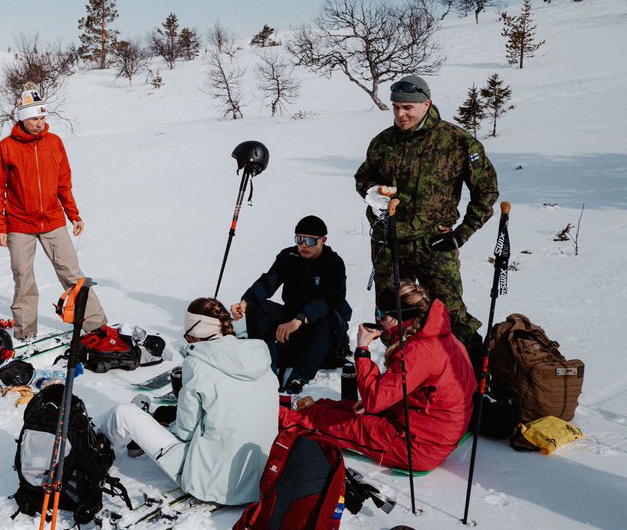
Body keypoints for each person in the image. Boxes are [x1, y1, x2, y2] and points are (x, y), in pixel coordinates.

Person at [355, 74, 499, 369]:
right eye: (395, 107)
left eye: (407, 107)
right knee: (393, 317)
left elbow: (486, 191)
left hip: (434, 243)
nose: (400, 114)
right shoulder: (383, 143)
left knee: (449, 314)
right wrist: (374, 193)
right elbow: (363, 178)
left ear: (426, 104)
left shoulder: (456, 142)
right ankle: (400, 380)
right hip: (389, 241)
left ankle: (467, 383)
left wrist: (461, 234)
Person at [94, 298, 278, 506]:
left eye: (187, 336)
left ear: (195, 334)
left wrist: (165, 428)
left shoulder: (197, 364)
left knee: (123, 414)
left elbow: (185, 432)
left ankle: (90, 439)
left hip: (213, 482)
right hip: (261, 478)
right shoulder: (259, 357)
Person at [279, 281, 476, 472]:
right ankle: (289, 405)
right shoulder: (438, 335)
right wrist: (384, 402)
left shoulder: (419, 351)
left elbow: (373, 399)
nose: (378, 319)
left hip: (420, 445)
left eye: (382, 314)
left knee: (324, 422)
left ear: (400, 317)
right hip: (428, 424)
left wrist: (363, 350)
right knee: (332, 408)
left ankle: (277, 416)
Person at [0, 87, 113, 341]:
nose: (39, 123)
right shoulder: (6, 147)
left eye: (42, 118)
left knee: (72, 274)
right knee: (23, 279)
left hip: (53, 220)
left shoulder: (54, 142)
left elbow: (63, 183)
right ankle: (25, 333)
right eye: (34, 118)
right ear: (22, 118)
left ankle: (96, 327)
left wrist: (73, 214)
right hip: (19, 224)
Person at [229, 215, 352, 395]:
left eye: (309, 240)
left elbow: (332, 299)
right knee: (259, 308)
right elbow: (268, 282)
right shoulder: (289, 256)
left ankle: (299, 376)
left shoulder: (333, 263)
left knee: (328, 318)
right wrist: (247, 302)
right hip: (293, 317)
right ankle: (266, 369)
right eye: (299, 239)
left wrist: (300, 319)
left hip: (323, 326)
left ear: (323, 240)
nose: (303, 245)